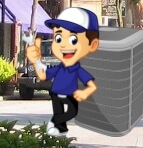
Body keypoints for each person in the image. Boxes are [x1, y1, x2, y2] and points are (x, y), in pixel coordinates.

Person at [25, 7, 100, 136]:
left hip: (71, 94)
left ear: (92, 45)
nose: (64, 45)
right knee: (59, 112)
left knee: (72, 112)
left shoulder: (78, 69)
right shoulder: (59, 67)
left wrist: (84, 92)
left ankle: (54, 123)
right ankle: (59, 129)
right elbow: (43, 75)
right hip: (55, 93)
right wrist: (36, 62)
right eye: (58, 38)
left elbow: (91, 85)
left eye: (73, 40)